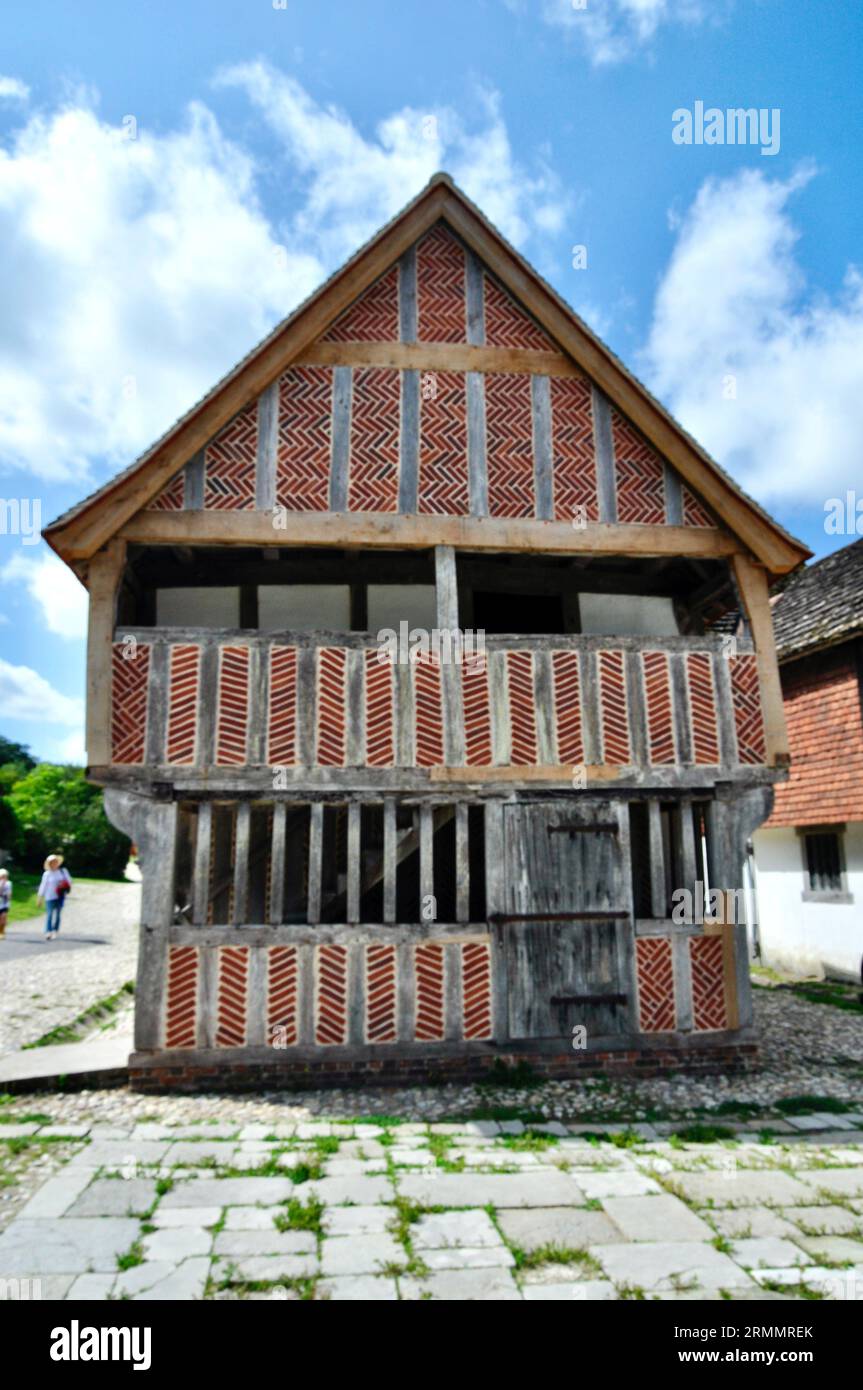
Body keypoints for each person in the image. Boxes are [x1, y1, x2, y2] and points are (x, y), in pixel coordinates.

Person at [37, 854, 72, 939]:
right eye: (52, 862)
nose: (54, 863)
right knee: (49, 914)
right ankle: (48, 931)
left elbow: (69, 881)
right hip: (49, 897)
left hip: (60, 896)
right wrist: (40, 898)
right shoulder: (47, 874)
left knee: (58, 915)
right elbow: (43, 886)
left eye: (55, 862)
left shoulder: (63, 871)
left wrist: (63, 885)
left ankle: (55, 930)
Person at [0, 868, 10, 939]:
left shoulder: (9, 883)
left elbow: (9, 894)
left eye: (5, 876)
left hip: (5, 904)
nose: (3, 878)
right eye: (2, 876)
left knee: (3, 917)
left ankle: (2, 932)